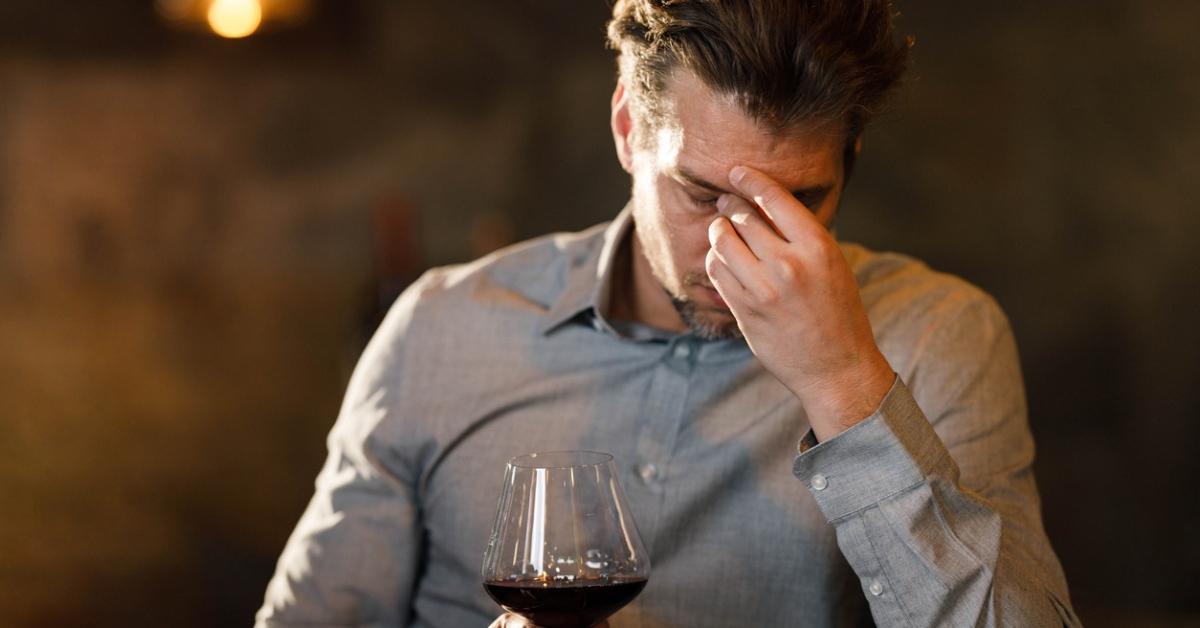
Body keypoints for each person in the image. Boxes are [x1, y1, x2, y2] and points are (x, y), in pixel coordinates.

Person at [256, 1, 1080, 626]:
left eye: (800, 200)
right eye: (702, 193)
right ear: (626, 127)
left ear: (850, 162)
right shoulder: (440, 329)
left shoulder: (940, 335)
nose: (737, 247)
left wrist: (843, 382)